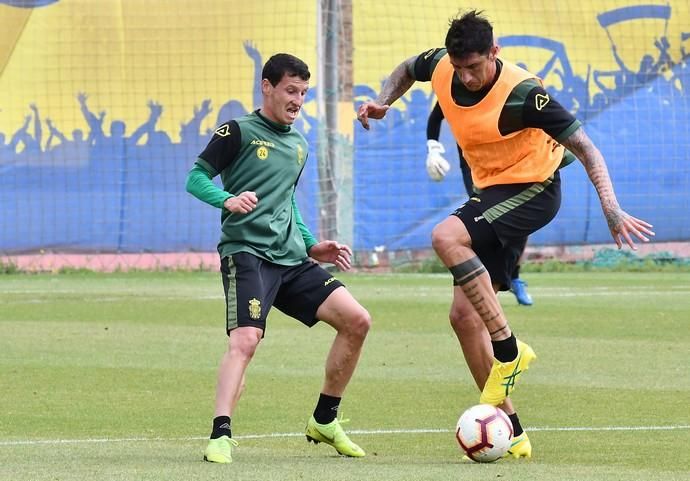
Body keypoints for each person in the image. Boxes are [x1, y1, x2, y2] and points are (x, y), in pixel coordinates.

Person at [357, 10, 653, 459]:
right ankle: (511, 429)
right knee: (462, 317)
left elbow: (587, 150)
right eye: (460, 68)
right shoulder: (443, 66)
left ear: (494, 53)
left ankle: (509, 350)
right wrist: (385, 101)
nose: (467, 77)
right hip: (492, 190)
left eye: (475, 67)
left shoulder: (525, 95)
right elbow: (406, 69)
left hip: (534, 188)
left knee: (444, 237)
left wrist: (611, 209)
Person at [186, 53, 371, 464]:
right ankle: (220, 433)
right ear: (267, 87)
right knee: (246, 340)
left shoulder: (299, 145)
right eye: (291, 90)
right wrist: (228, 199)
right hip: (247, 253)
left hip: (290, 259)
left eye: (303, 93)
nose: (298, 100)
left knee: (357, 320)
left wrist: (310, 246)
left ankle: (325, 419)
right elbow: (195, 177)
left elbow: (286, 200)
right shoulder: (237, 130)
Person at [426, 100, 533, 306]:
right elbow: (435, 117)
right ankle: (486, 280)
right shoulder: (454, 89)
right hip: (474, 168)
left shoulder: (504, 89)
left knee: (520, 219)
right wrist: (433, 149)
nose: (467, 76)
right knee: (484, 220)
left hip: (506, 166)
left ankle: (514, 275)